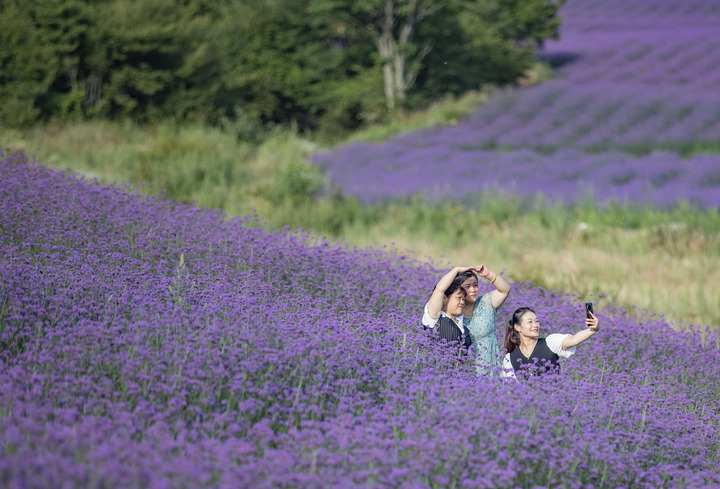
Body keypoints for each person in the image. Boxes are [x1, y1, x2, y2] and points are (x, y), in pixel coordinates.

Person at [423, 265, 510, 369]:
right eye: (459, 297)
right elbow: (439, 290)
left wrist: (488, 275)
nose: (461, 302)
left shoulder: (460, 321)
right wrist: (456, 270)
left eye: (463, 299)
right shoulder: (435, 318)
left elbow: (504, 290)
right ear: (445, 298)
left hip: (476, 373)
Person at [501, 306, 600, 380]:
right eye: (530, 322)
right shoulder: (509, 359)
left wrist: (592, 330)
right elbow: (509, 391)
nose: (535, 325)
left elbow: (573, 340)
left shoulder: (550, 343)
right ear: (517, 327)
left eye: (537, 321)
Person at [455, 265, 511, 376]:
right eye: (467, 286)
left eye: (475, 285)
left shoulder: (486, 303)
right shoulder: (453, 313)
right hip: (467, 374)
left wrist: (488, 275)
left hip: (493, 371)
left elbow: (505, 290)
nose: (473, 290)